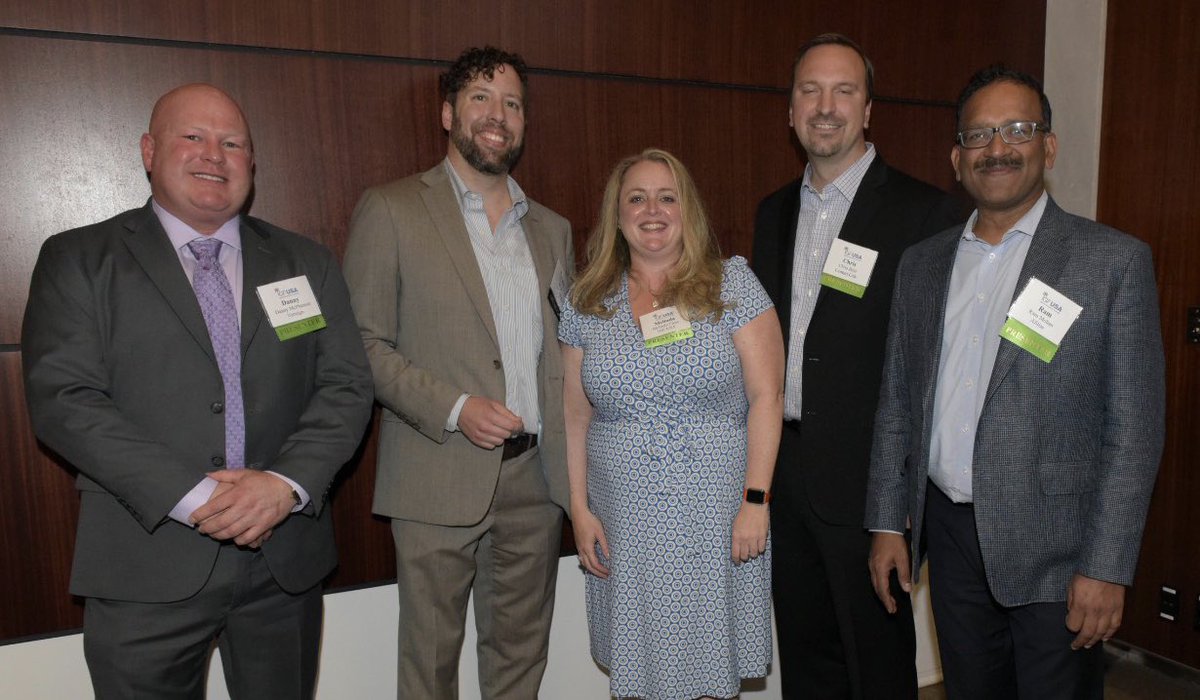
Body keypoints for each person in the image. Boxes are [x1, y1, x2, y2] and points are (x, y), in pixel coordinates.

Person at [21, 83, 374, 698]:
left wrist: (284, 485)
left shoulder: (304, 262)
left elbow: (346, 386)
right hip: (145, 566)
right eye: (193, 137)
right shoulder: (80, 258)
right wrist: (199, 499)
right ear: (148, 150)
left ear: (251, 163)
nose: (214, 154)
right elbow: (65, 401)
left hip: (282, 564)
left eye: (232, 143)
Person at [866, 65, 1165, 698]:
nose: (997, 148)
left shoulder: (1111, 262)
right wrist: (888, 522)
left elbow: (1134, 432)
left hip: (1059, 552)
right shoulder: (922, 265)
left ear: (1048, 148)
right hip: (951, 540)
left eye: (1018, 130)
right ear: (957, 159)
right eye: (979, 134)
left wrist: (1107, 567)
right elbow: (897, 402)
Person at [342, 46, 573, 699]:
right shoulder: (391, 209)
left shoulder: (552, 230)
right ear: (448, 113)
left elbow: (566, 353)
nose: (498, 115)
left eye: (512, 103)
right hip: (436, 474)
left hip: (535, 482)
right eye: (481, 98)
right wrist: (455, 408)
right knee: (430, 668)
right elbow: (361, 345)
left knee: (520, 663)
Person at [750, 33, 962, 699]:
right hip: (787, 477)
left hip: (872, 485)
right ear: (790, 110)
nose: (825, 106)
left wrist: (898, 507)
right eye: (810, 91)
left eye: (844, 91)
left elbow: (933, 370)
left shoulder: (925, 213)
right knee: (807, 662)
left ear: (868, 109)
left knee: (878, 669)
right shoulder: (773, 212)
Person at [561, 148, 785, 700]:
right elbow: (575, 414)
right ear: (617, 215)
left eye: (668, 197)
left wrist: (756, 500)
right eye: (636, 198)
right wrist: (580, 509)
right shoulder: (587, 300)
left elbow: (767, 396)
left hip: (716, 516)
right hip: (625, 519)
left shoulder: (731, 285)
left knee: (708, 670)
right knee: (639, 672)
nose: (652, 210)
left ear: (689, 211)